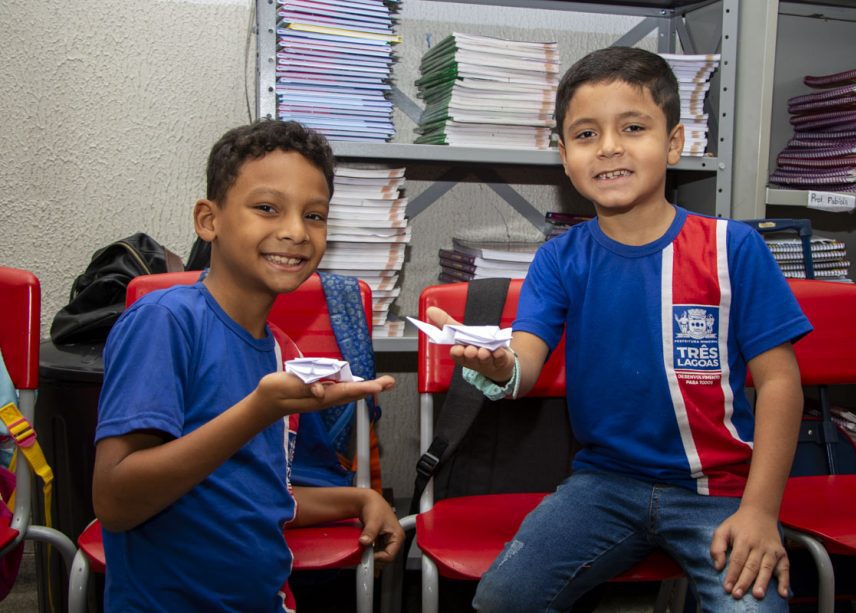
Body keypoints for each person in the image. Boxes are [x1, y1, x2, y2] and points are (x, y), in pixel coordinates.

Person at [427, 46, 813, 612]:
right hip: (602, 485)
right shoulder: (559, 260)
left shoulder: (735, 249)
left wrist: (760, 510)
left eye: (633, 127)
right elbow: (524, 364)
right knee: (502, 598)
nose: (608, 147)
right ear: (563, 156)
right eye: (585, 135)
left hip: (722, 491)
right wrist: (496, 365)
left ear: (675, 142)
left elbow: (780, 384)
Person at [92, 119, 403, 611]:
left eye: (315, 216)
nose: (296, 232)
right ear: (208, 220)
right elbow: (115, 502)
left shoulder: (284, 353)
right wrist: (257, 410)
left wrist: (359, 500)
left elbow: (256, 494)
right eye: (266, 208)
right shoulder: (165, 324)